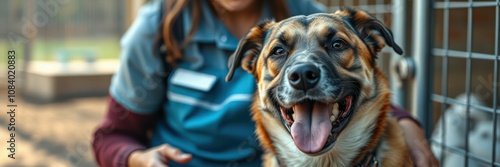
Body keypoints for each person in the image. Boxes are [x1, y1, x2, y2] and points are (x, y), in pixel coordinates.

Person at [91, 0, 439, 166]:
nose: (302, 70)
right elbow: (109, 136)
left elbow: (358, 80)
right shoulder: (157, 29)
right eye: (280, 53)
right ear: (249, 63)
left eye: (332, 44)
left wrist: (407, 122)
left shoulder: (303, 10)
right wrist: (137, 159)